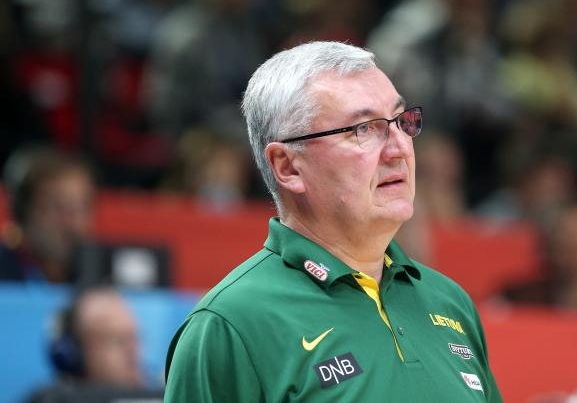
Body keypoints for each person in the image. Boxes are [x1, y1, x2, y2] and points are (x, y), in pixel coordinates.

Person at [164, 41, 502, 401]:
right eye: (364, 129)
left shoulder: (449, 302)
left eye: (401, 121)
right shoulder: (229, 325)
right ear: (288, 166)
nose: (399, 147)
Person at [26, 286, 147, 402]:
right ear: (74, 353)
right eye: (118, 340)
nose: (133, 350)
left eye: (134, 338)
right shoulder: (52, 400)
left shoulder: (160, 396)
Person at [0, 146, 94, 283]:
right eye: (58, 207)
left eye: (81, 207)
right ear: (22, 211)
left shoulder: (104, 277)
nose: (73, 222)